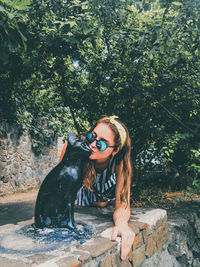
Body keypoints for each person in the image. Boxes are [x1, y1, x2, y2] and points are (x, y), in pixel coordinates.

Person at [59, 115, 135, 260]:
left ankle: (101, 198)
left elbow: (123, 204)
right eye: (91, 136)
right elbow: (60, 186)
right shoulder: (73, 149)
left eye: (102, 144)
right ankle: (95, 197)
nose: (92, 144)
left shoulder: (120, 162)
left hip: (107, 183)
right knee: (93, 203)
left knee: (101, 203)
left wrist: (122, 224)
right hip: (84, 183)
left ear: (115, 150)